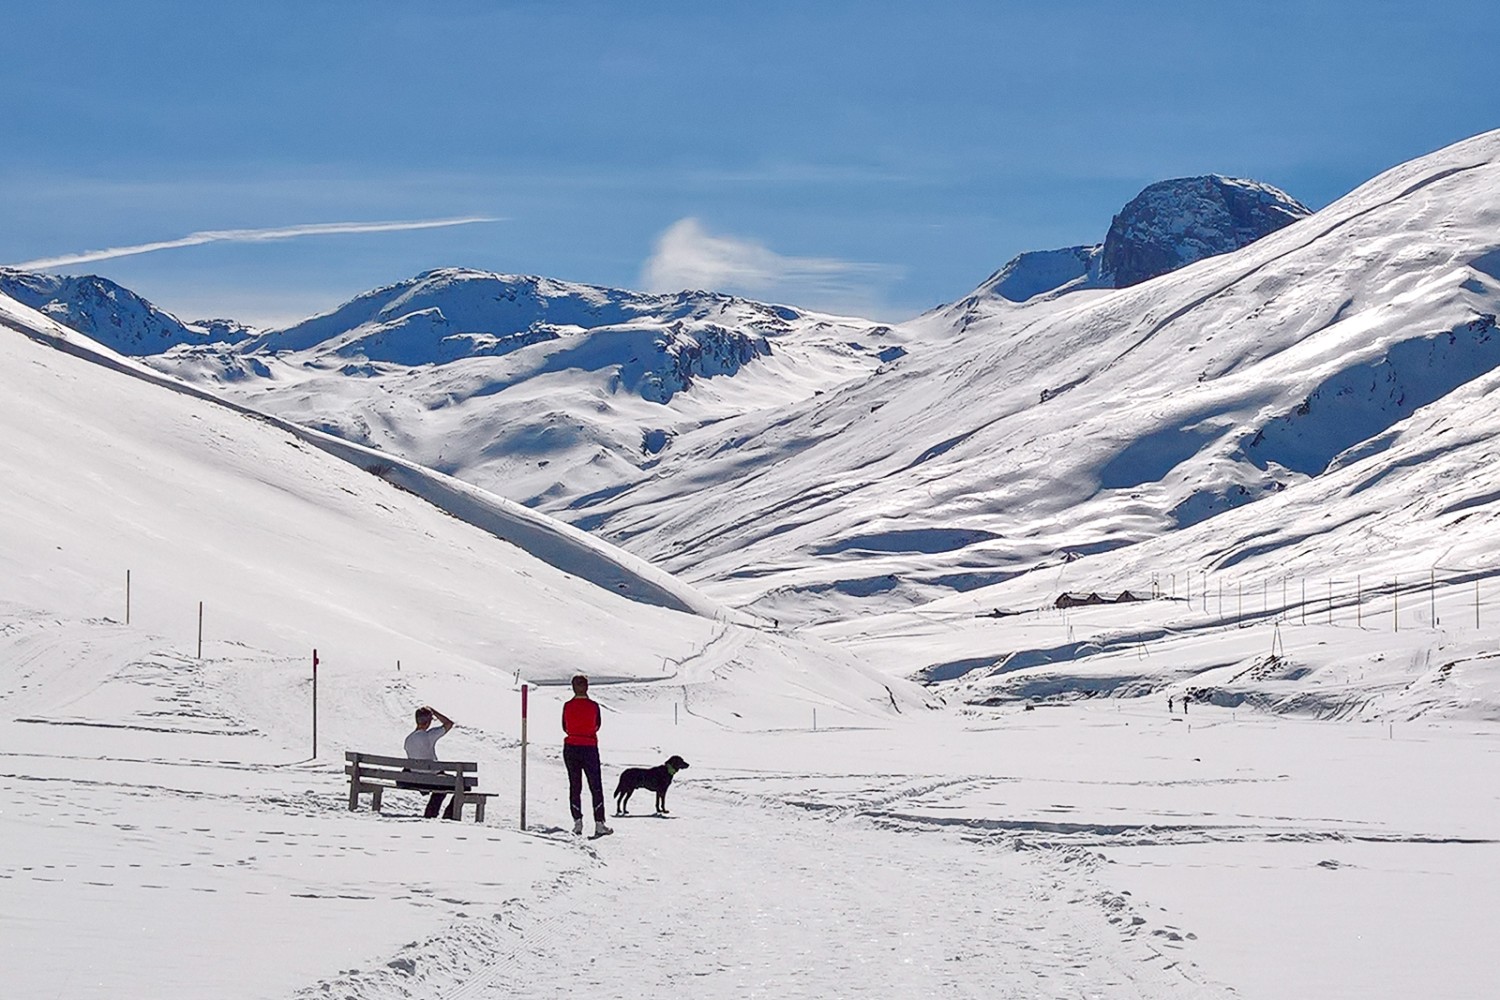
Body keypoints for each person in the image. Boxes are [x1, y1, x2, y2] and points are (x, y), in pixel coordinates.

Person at [562, 675, 612, 837]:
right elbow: (597, 725)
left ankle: (577, 822)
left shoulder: (567, 706)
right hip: (589, 747)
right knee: (595, 785)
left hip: (571, 747)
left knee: (575, 785)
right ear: (587, 687)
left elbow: (565, 726)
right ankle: (599, 823)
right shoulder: (593, 706)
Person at [404, 705, 456, 819]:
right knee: (459, 784)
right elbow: (449, 724)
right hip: (430, 779)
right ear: (428, 722)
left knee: (442, 784)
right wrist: (435, 712)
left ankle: (431, 813)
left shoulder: (408, 739)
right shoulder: (429, 735)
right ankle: (447, 815)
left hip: (414, 779)